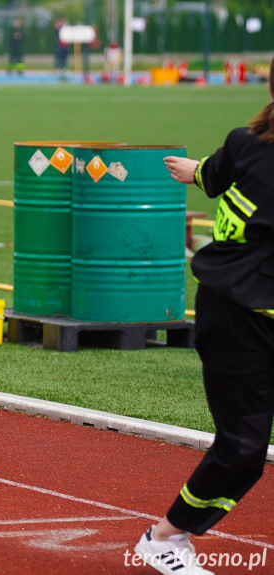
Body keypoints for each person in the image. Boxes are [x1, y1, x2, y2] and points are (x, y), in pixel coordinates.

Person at [133, 56, 274, 575]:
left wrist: (196, 173)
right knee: (242, 450)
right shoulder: (247, 144)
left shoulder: (240, 145)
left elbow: (213, 176)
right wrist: (202, 174)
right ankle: (164, 537)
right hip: (239, 316)